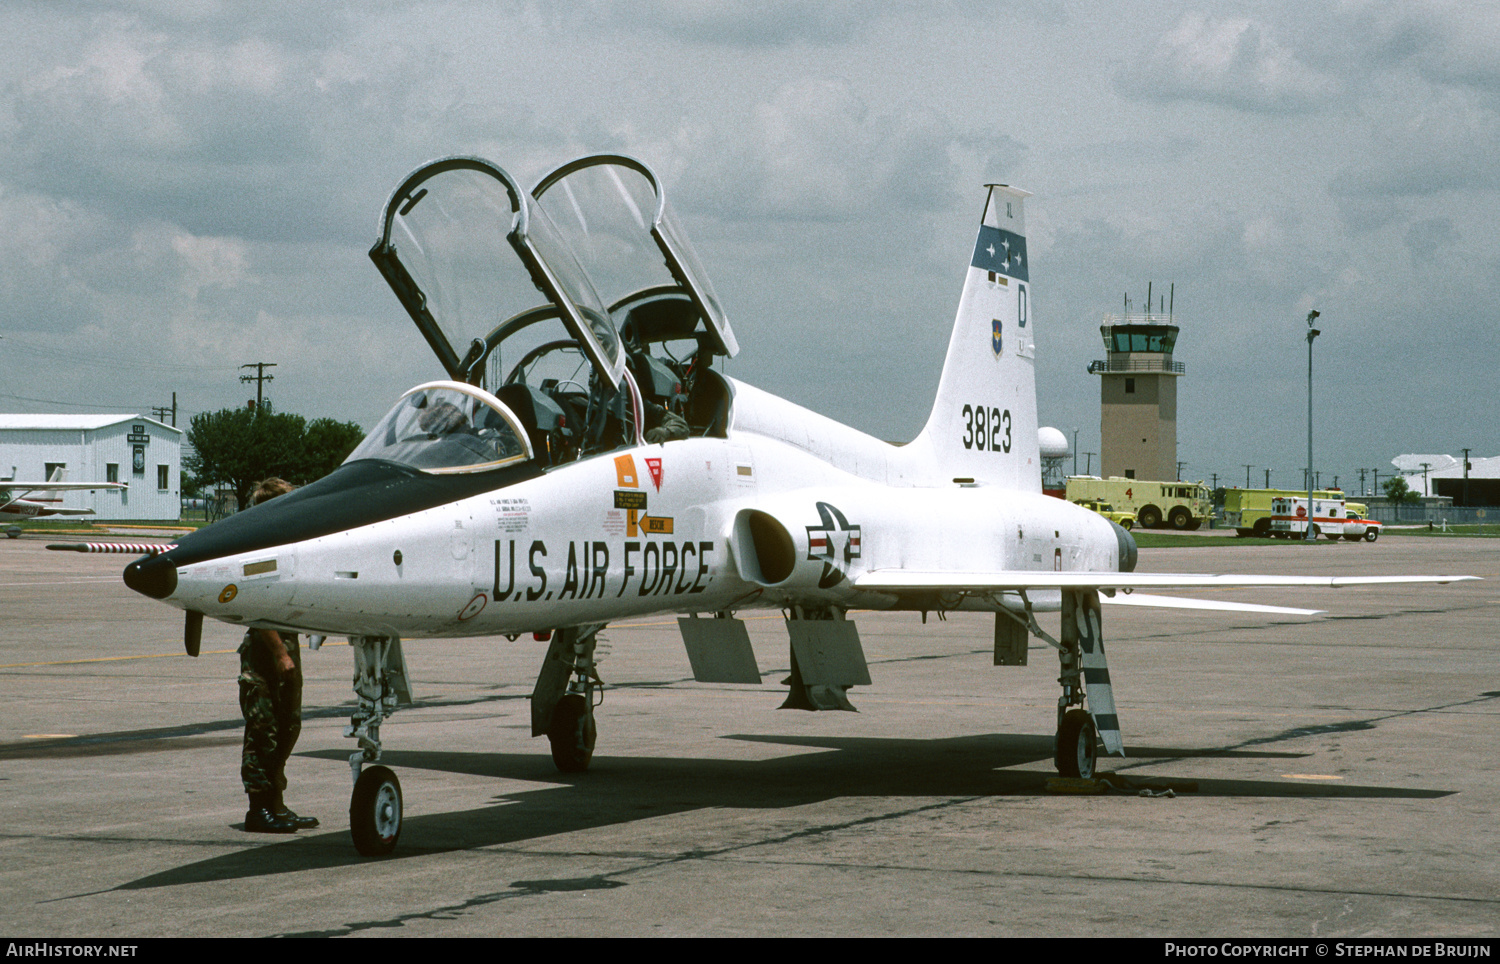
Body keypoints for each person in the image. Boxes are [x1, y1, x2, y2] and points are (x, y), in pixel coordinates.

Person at [239, 477, 318, 833]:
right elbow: (255, 607)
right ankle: (258, 810)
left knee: (289, 725)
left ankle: (277, 804)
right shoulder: (259, 550)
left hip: (286, 646)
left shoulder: (284, 545)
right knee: (263, 731)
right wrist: (280, 654)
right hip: (266, 650)